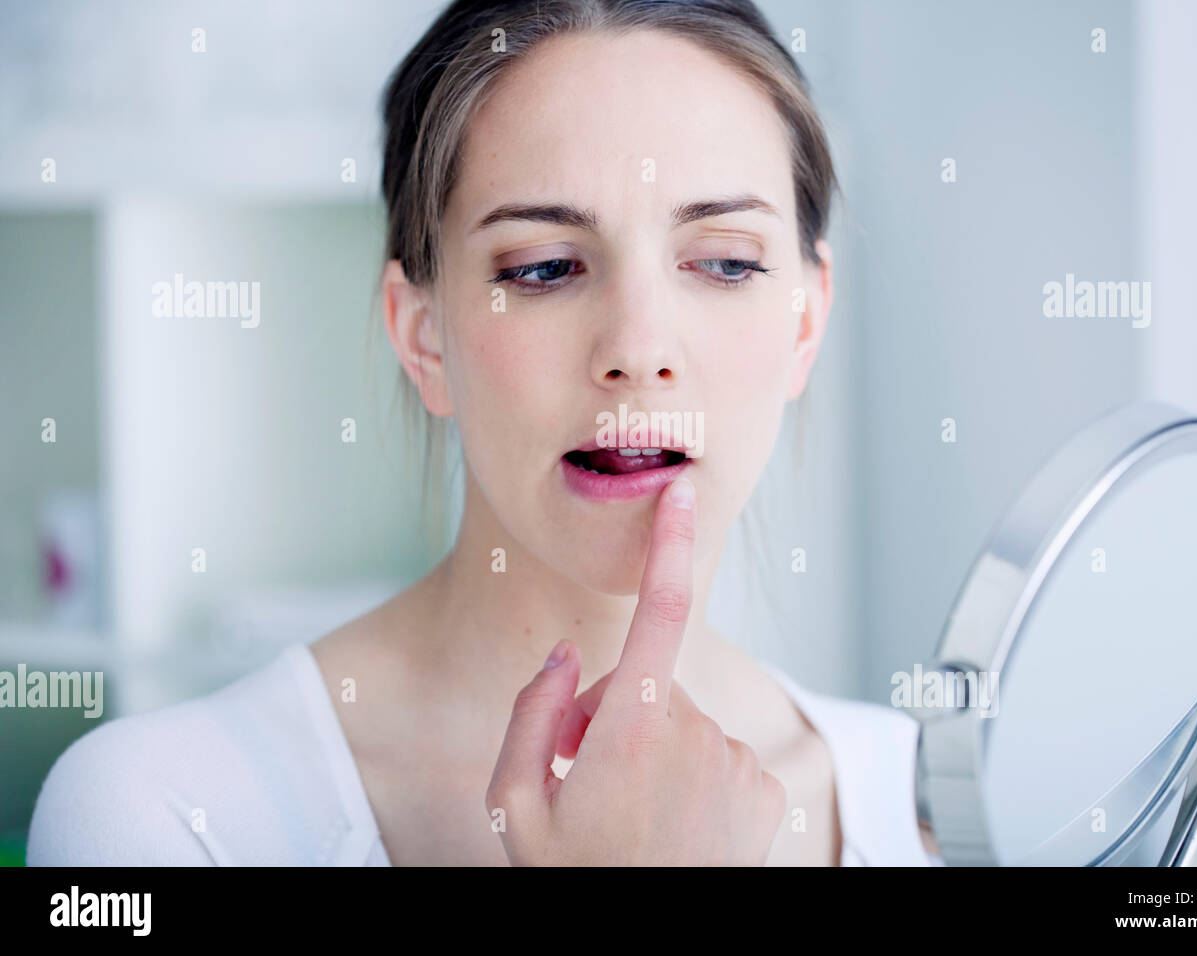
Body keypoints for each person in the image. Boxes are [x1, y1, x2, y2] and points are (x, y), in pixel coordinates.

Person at [26, 0, 928, 866]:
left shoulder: (915, 796)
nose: (639, 351)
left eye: (726, 262)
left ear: (806, 324)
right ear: (422, 337)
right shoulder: (160, 815)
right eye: (542, 268)